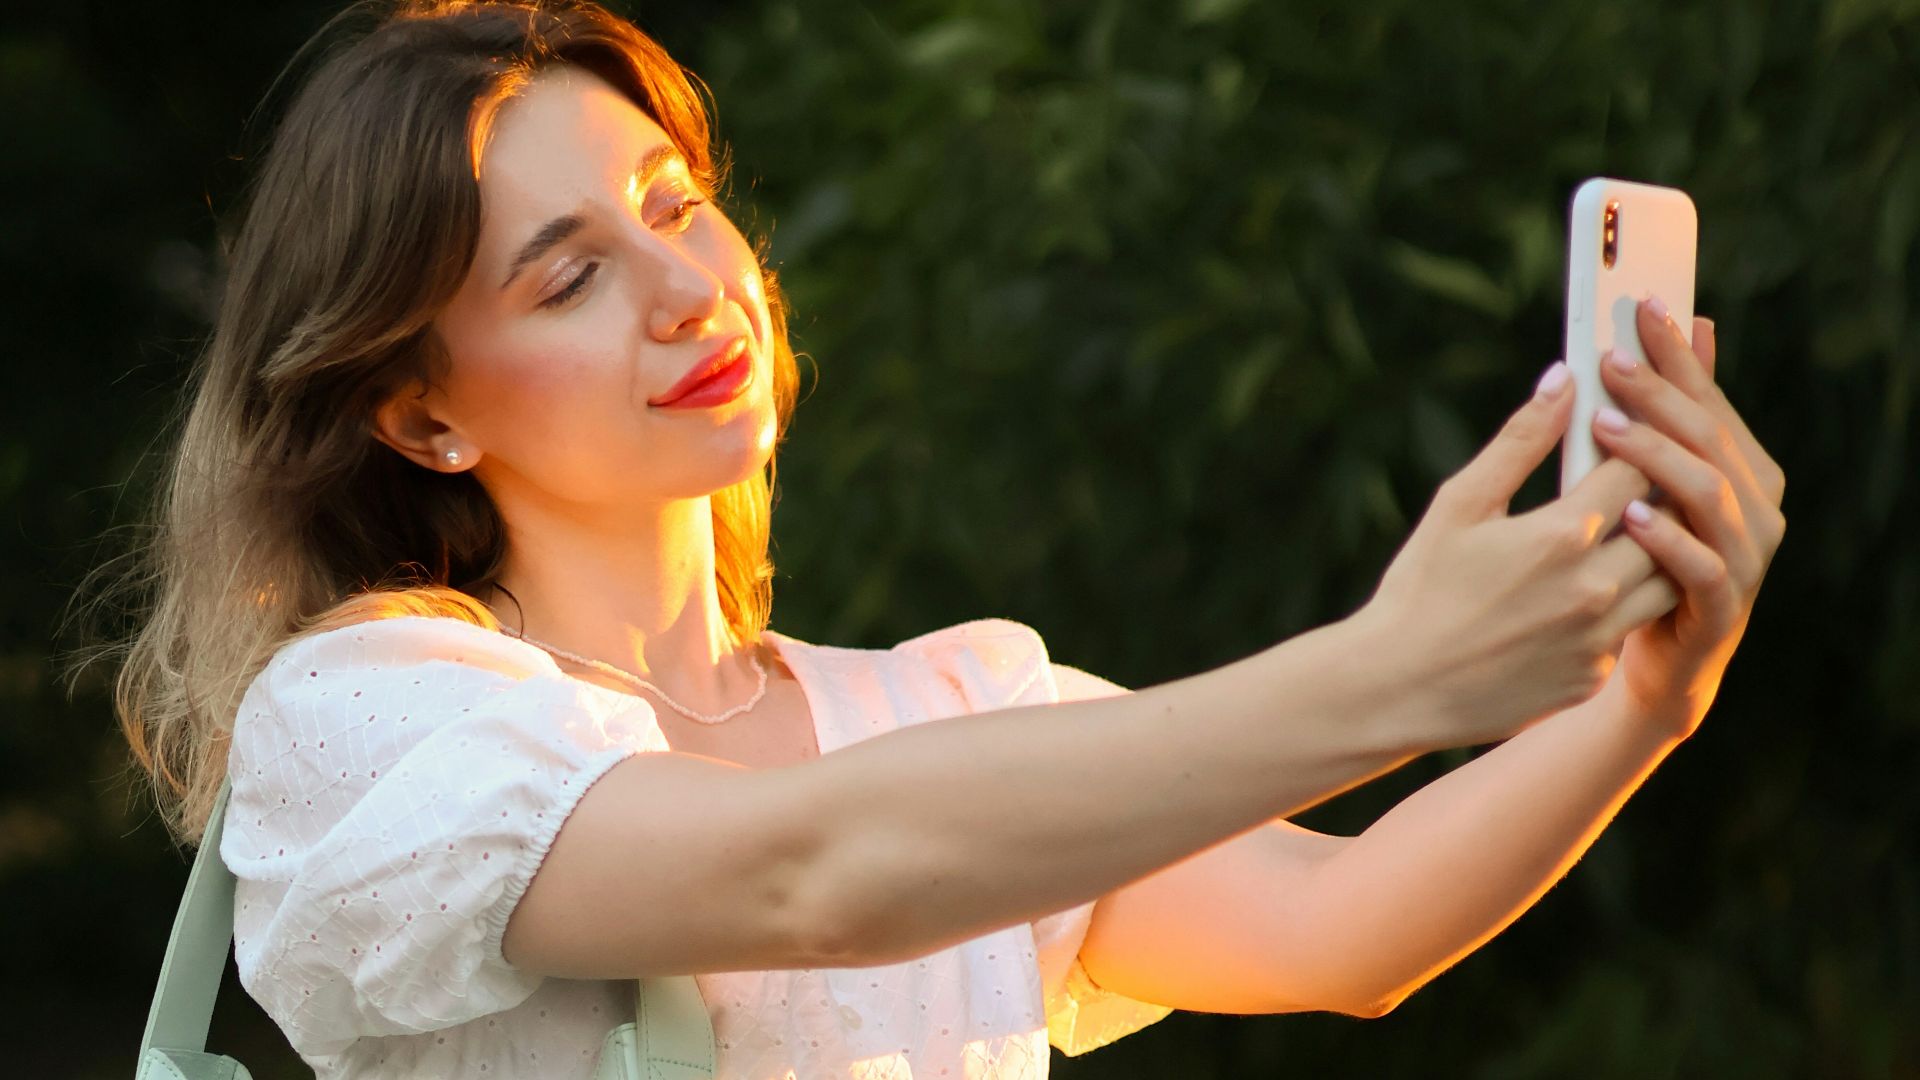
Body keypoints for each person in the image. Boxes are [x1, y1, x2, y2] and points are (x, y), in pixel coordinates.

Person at [64, 0, 1786, 1076]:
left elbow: (1344, 932)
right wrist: (1392, 674)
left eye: (677, 205)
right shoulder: (377, 725)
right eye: (570, 273)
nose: (685, 288)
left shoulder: (953, 718)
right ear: (423, 411)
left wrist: (1641, 697)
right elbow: (810, 876)